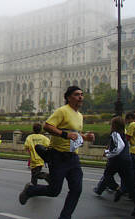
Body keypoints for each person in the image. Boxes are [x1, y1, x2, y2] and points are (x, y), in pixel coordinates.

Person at [18, 86, 95, 219]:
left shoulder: (79, 115)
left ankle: (65, 217)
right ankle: (31, 190)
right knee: (54, 191)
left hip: (73, 157)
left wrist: (86, 137)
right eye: (77, 94)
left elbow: (75, 134)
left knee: (76, 189)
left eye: (82, 94)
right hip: (58, 156)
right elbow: (47, 126)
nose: (81, 97)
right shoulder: (62, 111)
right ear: (69, 97)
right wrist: (64, 134)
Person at [93, 116, 135, 217]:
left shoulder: (114, 133)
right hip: (127, 160)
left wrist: (108, 153)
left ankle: (118, 189)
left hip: (116, 161)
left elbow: (119, 147)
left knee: (107, 176)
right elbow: (124, 145)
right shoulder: (124, 133)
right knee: (131, 183)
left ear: (114, 125)